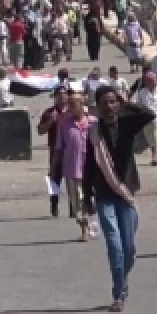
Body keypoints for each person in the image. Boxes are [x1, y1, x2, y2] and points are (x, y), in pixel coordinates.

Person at [82, 86, 155, 312]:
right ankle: (119, 293)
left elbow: (149, 114)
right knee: (115, 245)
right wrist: (87, 196)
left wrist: (126, 101)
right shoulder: (94, 132)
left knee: (129, 248)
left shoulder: (126, 124)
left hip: (126, 191)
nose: (110, 106)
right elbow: (88, 166)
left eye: (113, 102)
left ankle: (122, 281)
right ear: (98, 106)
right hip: (104, 194)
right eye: (105, 102)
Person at [53, 90, 98, 242]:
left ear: (82, 104)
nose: (70, 106)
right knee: (76, 202)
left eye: (73, 103)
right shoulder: (64, 124)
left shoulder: (93, 122)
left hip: (92, 169)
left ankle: (90, 224)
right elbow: (59, 148)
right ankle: (85, 228)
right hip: (72, 169)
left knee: (88, 199)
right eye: (69, 103)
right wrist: (53, 169)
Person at [38, 86, 70, 217]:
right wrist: (51, 120)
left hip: (71, 150)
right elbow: (40, 131)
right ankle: (54, 206)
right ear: (55, 96)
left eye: (64, 94)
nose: (62, 96)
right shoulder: (49, 112)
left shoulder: (73, 111)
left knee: (72, 180)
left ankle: (74, 209)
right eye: (59, 94)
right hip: (56, 151)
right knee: (54, 179)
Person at [133, 72, 157, 167]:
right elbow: (138, 106)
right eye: (150, 81)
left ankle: (155, 156)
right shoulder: (142, 92)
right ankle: (153, 154)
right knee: (149, 137)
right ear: (146, 82)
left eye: (154, 80)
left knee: (155, 135)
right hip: (146, 118)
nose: (153, 83)